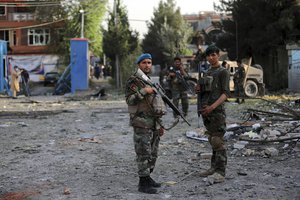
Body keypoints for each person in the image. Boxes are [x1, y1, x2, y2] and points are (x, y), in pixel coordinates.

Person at [125, 53, 165, 194]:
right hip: (141, 123)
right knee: (143, 153)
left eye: (149, 62)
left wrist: (160, 125)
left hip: (153, 124)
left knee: (153, 153)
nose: (147, 65)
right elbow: (130, 100)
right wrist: (144, 91)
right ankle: (143, 183)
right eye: (144, 63)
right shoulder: (134, 81)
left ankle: (148, 178)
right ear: (139, 65)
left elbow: (156, 105)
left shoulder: (149, 80)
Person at [196, 45, 230, 183]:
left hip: (216, 112)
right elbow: (204, 92)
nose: (211, 58)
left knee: (217, 140)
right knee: (212, 139)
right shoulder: (208, 71)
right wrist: (198, 88)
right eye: (209, 55)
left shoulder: (223, 72)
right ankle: (213, 167)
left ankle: (220, 172)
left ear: (218, 55)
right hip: (206, 111)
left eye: (213, 55)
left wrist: (212, 107)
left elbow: (225, 94)